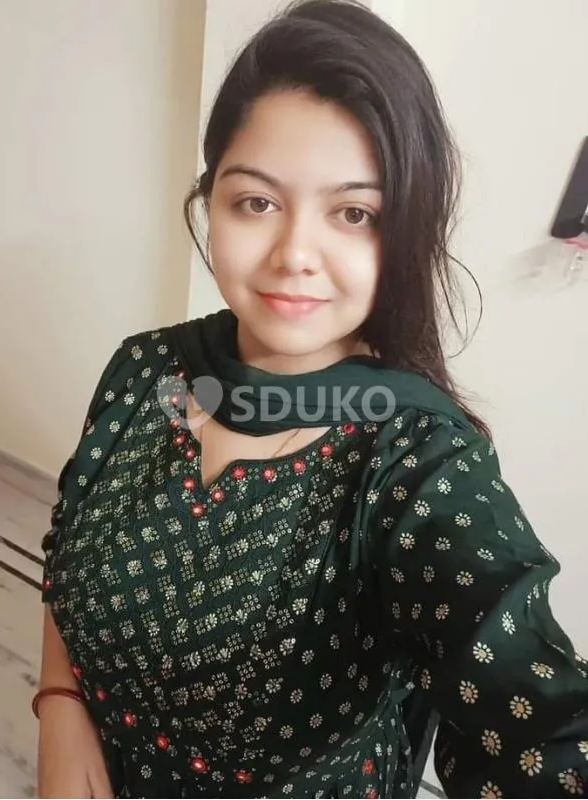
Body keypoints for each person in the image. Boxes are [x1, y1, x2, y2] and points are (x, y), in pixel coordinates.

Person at [35, 0, 588, 797]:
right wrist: (60, 703)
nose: (295, 253)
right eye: (256, 202)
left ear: (404, 230)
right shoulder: (151, 372)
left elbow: (533, 714)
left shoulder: (414, 459)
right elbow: (70, 535)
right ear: (210, 200)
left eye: (353, 213)